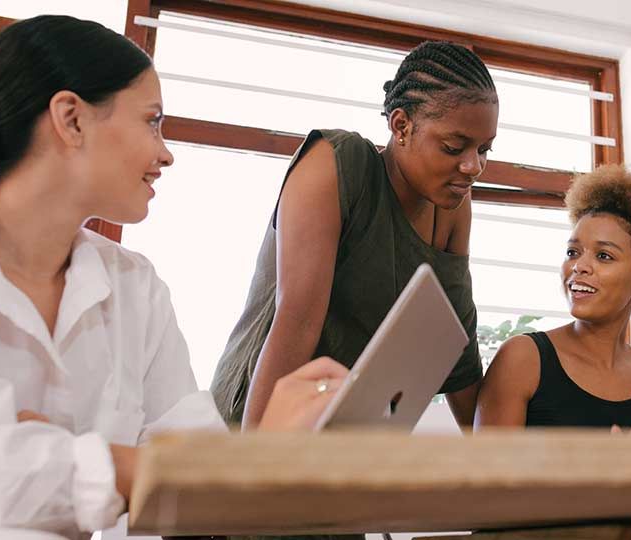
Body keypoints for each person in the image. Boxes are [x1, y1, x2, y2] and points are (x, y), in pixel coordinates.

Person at [0, 15, 347, 540]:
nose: (165, 152)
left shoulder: (135, 286)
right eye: (152, 121)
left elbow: (194, 473)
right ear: (71, 119)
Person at [211, 40, 498, 432]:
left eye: (485, 149)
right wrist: (257, 458)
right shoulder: (336, 162)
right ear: (401, 125)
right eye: (454, 147)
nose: (473, 166)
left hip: (349, 433)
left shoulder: (453, 206)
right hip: (258, 420)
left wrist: (506, 459)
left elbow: (459, 350)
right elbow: (297, 320)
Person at [474, 165, 631, 433]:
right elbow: (486, 473)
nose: (579, 266)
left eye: (604, 256)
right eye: (573, 252)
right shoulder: (522, 360)